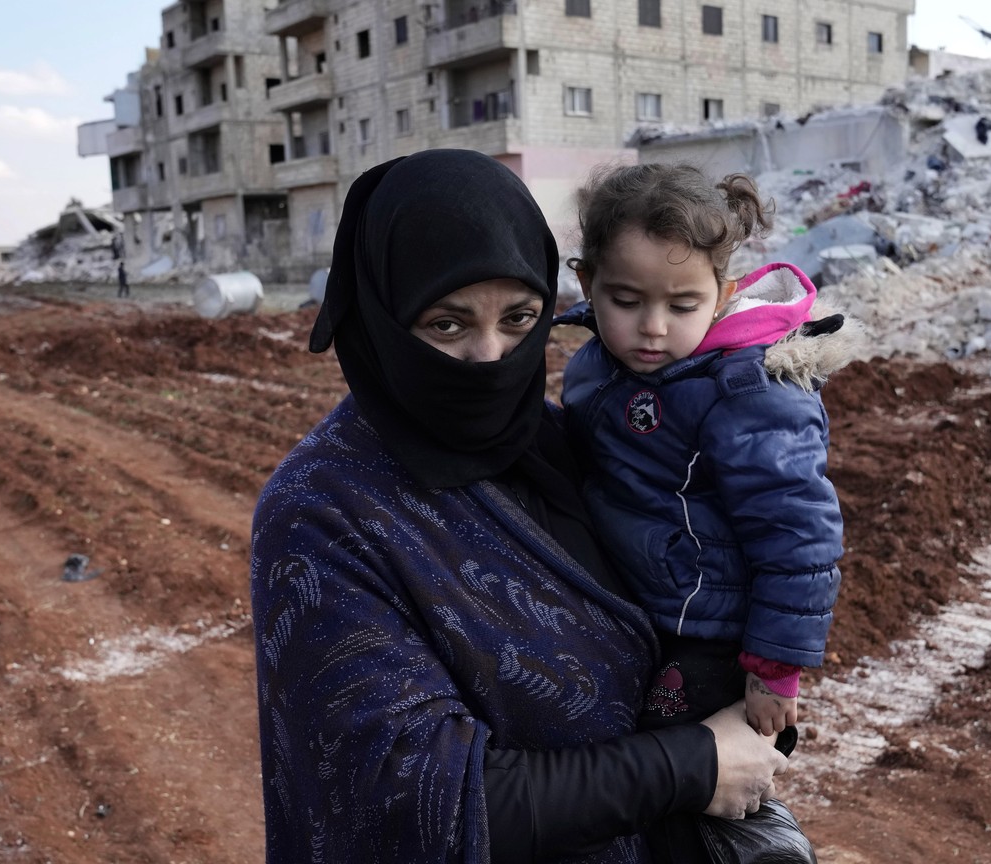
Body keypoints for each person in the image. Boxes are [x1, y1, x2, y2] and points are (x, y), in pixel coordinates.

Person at [249, 149, 787, 864]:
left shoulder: (564, 445)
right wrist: (691, 766)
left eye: (520, 317)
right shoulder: (322, 513)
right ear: (382, 315)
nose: (489, 355)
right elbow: (415, 799)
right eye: (446, 324)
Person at [560, 163, 865, 855]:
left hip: (709, 636)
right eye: (627, 299)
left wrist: (773, 670)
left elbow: (798, 533)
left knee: (689, 783)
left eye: (683, 304)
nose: (653, 327)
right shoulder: (596, 365)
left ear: (723, 295)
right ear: (587, 284)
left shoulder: (745, 389)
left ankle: (760, 849)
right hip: (638, 610)